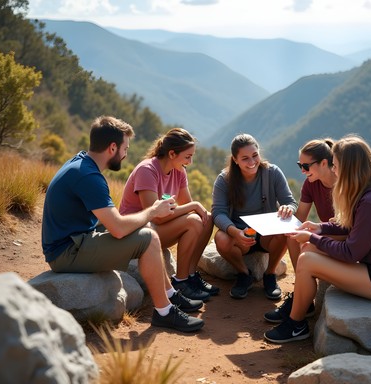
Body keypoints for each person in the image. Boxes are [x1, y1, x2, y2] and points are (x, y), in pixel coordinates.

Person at [41, 116, 204, 333]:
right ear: (112, 148)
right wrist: (153, 211)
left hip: (75, 240)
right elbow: (117, 227)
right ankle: (164, 312)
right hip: (67, 251)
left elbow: (109, 221)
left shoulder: (81, 163)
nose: (126, 154)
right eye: (125, 148)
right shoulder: (88, 177)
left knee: (145, 231)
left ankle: (171, 295)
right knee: (149, 237)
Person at [264, 134, 371, 343]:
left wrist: (314, 237)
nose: (334, 170)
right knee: (308, 249)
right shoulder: (367, 192)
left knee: (307, 258)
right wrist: (320, 227)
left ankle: (296, 324)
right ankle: (302, 305)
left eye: (335, 165)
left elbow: (352, 252)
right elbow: (350, 225)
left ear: (349, 168)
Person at [120, 128, 217, 302]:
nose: (191, 162)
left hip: (157, 228)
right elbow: (155, 215)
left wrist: (195, 207)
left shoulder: (179, 171)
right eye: (187, 157)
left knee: (206, 219)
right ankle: (180, 281)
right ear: (172, 153)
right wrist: (194, 205)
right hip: (137, 233)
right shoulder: (147, 170)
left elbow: (187, 205)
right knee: (194, 221)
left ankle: (191, 275)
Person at [263, 138, 341, 323]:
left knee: (306, 248)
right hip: (328, 231)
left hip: (345, 236)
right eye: (300, 165)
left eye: (306, 166)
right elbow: (300, 218)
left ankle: (301, 299)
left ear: (324, 163)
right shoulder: (311, 184)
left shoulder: (343, 182)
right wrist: (287, 213)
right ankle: (302, 294)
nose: (303, 171)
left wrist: (315, 233)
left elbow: (349, 225)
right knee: (292, 236)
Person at [212, 133, 298, 300]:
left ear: (259, 153)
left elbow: (290, 202)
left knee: (285, 229)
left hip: (268, 234)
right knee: (221, 238)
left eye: (254, 155)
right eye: (245, 158)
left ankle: (270, 274)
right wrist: (234, 231)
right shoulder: (224, 180)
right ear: (235, 159)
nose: (252, 162)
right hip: (240, 234)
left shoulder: (273, 173)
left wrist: (288, 208)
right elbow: (218, 212)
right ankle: (244, 274)